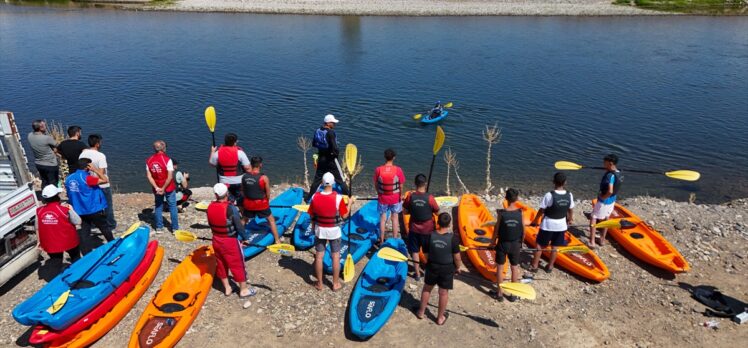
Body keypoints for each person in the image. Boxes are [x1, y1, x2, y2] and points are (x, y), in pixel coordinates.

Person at [207, 183, 255, 298]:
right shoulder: (230, 208)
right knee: (237, 264)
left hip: (216, 240)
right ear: (227, 193)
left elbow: (210, 223)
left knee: (221, 264)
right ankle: (243, 290)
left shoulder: (210, 207)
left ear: (215, 195)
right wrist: (245, 238)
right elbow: (239, 226)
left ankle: (227, 288)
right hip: (230, 241)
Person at [416, 213, 464, 325]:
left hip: (432, 266)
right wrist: (458, 268)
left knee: (427, 289)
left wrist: (429, 262)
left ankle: (421, 312)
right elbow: (457, 258)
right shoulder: (453, 239)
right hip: (446, 269)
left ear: (438, 223)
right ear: (449, 224)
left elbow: (425, 253)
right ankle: (440, 318)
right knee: (443, 293)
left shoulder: (429, 236)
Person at [308, 172, 349, 291]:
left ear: (322, 183)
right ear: (333, 183)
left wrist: (312, 227)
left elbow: (312, 215)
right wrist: (350, 203)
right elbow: (345, 215)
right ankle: (335, 284)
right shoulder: (338, 198)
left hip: (320, 230)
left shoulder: (315, 197)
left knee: (319, 257)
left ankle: (320, 284)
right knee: (335, 256)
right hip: (334, 231)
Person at [65, 158, 113, 255]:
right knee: (104, 228)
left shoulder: (69, 178)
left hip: (80, 210)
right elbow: (105, 180)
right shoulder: (87, 178)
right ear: (87, 167)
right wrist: (95, 170)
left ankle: (86, 253)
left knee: (85, 232)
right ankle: (113, 244)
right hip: (93, 208)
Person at [529, 172, 574, 273]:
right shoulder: (569, 194)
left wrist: (536, 220)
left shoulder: (549, 195)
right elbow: (570, 209)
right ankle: (550, 267)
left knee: (540, 245)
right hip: (561, 225)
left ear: (553, 182)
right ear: (565, 182)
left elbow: (542, 210)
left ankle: (534, 266)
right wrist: (570, 219)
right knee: (555, 247)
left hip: (548, 225)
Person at [402, 173, 439, 281]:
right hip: (427, 230)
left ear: (415, 183)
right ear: (425, 184)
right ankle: (428, 271)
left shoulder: (410, 196)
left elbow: (404, 212)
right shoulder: (430, 198)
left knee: (414, 251)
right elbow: (437, 212)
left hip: (414, 229)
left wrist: (413, 209)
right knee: (427, 251)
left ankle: (417, 274)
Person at [36, 184, 81, 271]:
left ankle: (59, 278)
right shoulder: (64, 209)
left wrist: (39, 241)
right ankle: (78, 275)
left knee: (56, 262)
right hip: (68, 240)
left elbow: (37, 227)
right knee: (75, 258)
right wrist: (70, 209)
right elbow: (78, 221)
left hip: (50, 243)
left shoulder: (39, 211)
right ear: (57, 196)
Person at [305, 114, 349, 202]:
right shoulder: (330, 132)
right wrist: (335, 155)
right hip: (331, 160)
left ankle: (308, 198)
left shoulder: (318, 130)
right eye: (333, 123)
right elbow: (335, 148)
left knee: (317, 180)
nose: (334, 124)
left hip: (321, 159)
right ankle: (347, 197)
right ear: (328, 123)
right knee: (340, 179)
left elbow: (314, 144)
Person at [492, 188, 524, 302]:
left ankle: (500, 294)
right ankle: (513, 294)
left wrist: (492, 243)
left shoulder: (502, 213)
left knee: (500, 268)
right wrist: (521, 243)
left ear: (506, 198)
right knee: (514, 268)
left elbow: (496, 230)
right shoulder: (520, 213)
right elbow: (522, 230)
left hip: (502, 244)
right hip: (515, 244)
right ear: (517, 199)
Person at [79, 134, 117, 232]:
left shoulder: (82, 155)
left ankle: (94, 225)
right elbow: (102, 173)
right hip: (102, 184)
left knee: (93, 205)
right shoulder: (100, 156)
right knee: (107, 206)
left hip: (89, 184)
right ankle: (110, 225)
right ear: (97, 144)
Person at [241, 156, 281, 244]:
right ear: (260, 165)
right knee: (271, 220)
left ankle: (240, 238)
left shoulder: (244, 177)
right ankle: (277, 240)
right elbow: (268, 193)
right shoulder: (264, 178)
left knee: (244, 220)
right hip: (261, 204)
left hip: (248, 204)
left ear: (251, 164)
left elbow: (243, 191)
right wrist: (266, 202)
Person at [146, 140, 179, 234]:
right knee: (172, 206)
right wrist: (163, 188)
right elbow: (170, 176)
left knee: (158, 206)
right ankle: (175, 228)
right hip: (168, 187)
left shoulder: (149, 160)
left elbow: (149, 176)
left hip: (156, 187)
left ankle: (159, 227)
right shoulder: (167, 160)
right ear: (164, 148)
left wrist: (157, 187)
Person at [589, 154, 621, 248]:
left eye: (605, 163)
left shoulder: (610, 176)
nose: (603, 165)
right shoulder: (618, 172)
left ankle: (592, 242)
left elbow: (610, 190)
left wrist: (603, 197)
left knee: (593, 217)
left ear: (610, 163)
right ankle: (602, 239)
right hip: (612, 200)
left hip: (605, 201)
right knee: (607, 217)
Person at [373, 148, 405, 244]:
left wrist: (379, 192)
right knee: (394, 218)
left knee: (383, 219)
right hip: (395, 198)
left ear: (384, 157)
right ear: (394, 158)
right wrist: (401, 195)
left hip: (383, 198)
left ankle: (381, 241)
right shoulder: (398, 170)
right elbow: (401, 185)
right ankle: (395, 240)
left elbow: (376, 184)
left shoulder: (378, 169)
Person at [209, 133, 251, 205]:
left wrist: (213, 151)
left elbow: (212, 164)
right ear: (235, 142)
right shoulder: (240, 153)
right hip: (239, 181)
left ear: (225, 141)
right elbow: (247, 168)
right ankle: (241, 213)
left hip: (224, 182)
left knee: (228, 201)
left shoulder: (218, 153)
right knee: (240, 201)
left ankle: (230, 212)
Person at [27, 120, 59, 189]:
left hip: (39, 164)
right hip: (50, 164)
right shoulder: (46, 138)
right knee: (53, 183)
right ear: (41, 128)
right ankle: (53, 198)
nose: (46, 127)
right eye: (44, 126)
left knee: (44, 181)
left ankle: (45, 197)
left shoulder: (29, 136)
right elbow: (58, 145)